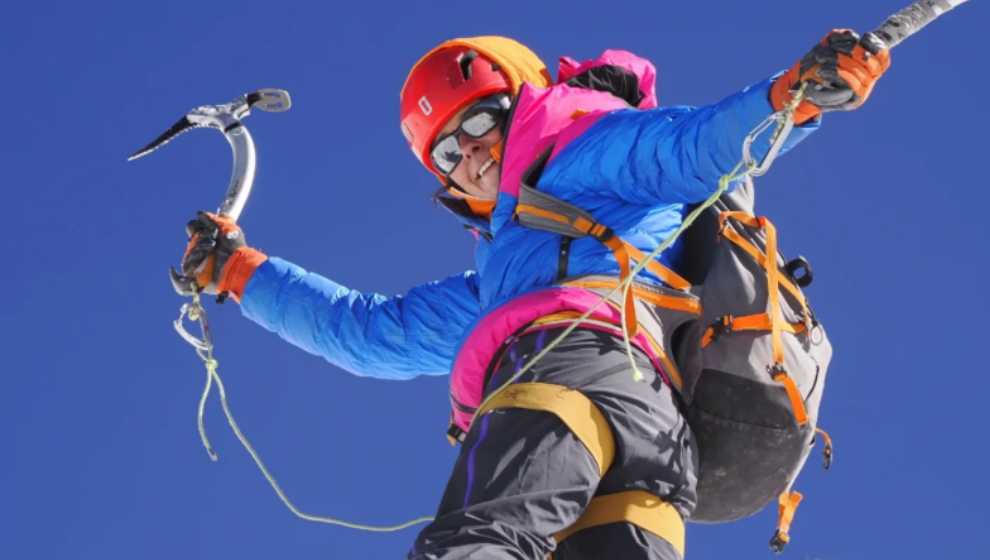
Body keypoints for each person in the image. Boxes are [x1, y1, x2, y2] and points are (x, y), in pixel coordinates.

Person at [177, 31, 889, 560]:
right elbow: (371, 335)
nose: (473, 154)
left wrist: (789, 95)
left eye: (479, 123)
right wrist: (241, 273)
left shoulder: (580, 145)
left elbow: (691, 146)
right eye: (448, 153)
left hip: (568, 368)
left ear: (521, 100)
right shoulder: (509, 272)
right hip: (660, 435)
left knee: (481, 542)